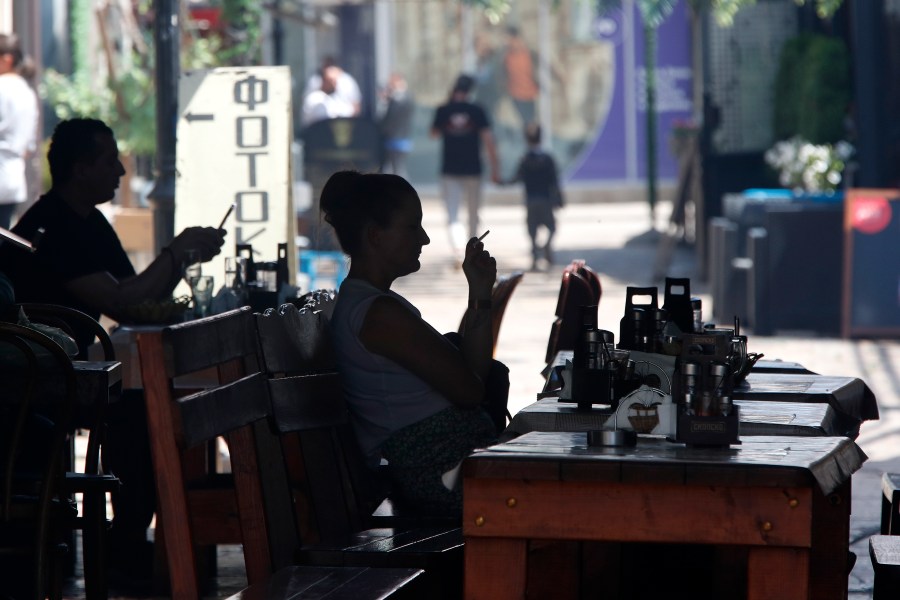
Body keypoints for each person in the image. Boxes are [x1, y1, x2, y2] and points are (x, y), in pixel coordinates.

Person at [0, 117, 226, 587]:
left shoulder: (89, 220)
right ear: (80, 169)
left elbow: (136, 296)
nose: (121, 174)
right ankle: (125, 547)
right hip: (35, 380)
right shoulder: (54, 226)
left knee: (150, 403)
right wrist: (174, 250)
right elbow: (120, 302)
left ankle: (134, 543)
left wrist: (181, 258)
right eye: (110, 162)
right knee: (144, 411)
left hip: (69, 367)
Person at [321, 170, 508, 517]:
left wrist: (480, 293)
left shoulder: (371, 304)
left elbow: (473, 375)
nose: (424, 239)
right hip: (445, 476)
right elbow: (470, 391)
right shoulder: (377, 314)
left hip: (453, 466)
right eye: (412, 227)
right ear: (376, 236)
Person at [430, 74, 500, 262]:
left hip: (450, 169)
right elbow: (488, 140)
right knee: (473, 212)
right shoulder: (477, 110)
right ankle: (472, 249)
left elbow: (433, 134)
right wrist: (495, 167)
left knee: (453, 213)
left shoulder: (443, 110)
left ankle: (458, 249)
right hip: (473, 169)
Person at [503, 123, 564, 271]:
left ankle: (536, 254)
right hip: (545, 199)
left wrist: (501, 182)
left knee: (532, 230)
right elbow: (554, 181)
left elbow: (516, 178)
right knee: (551, 227)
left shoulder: (525, 159)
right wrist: (559, 198)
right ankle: (547, 245)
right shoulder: (547, 159)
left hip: (531, 200)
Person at [0, 33, 38, 229]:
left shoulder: (2, 87)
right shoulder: (27, 92)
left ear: (7, 59)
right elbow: (28, 147)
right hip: (13, 179)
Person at [377, 72, 414, 177]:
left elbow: (391, 118)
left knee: (398, 169)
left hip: (398, 139)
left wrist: (389, 98)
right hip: (393, 139)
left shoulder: (403, 98)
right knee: (390, 168)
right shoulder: (395, 99)